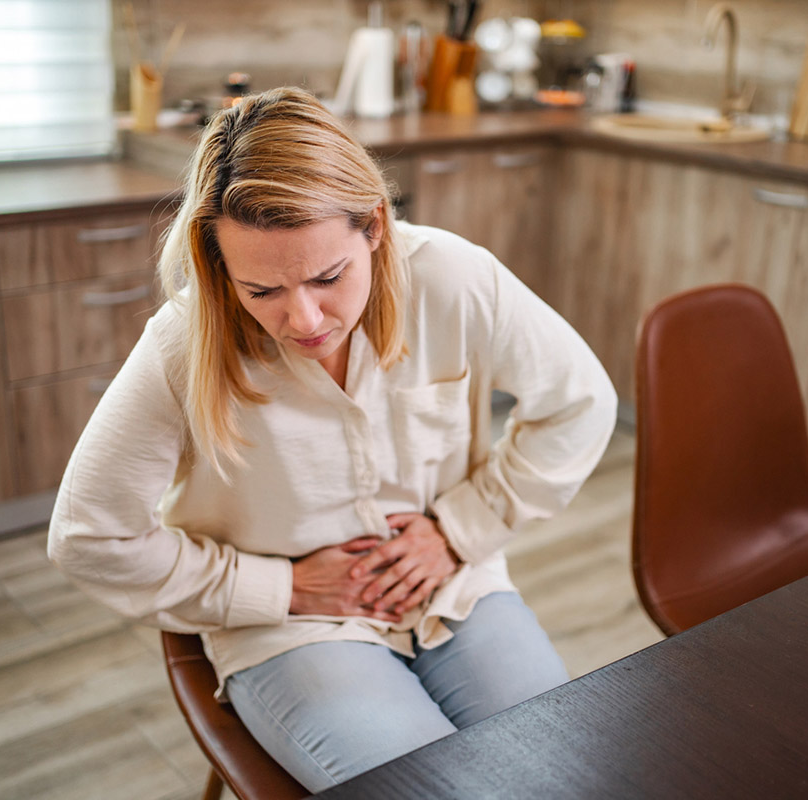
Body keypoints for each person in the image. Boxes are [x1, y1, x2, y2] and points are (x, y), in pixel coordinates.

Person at [48, 87, 617, 792]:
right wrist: (277, 587)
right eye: (262, 292)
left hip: (451, 584)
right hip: (288, 627)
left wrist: (460, 530)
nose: (305, 319)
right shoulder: (182, 342)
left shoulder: (452, 276)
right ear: (222, 267)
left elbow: (581, 402)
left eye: (328, 276)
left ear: (375, 224)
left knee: (557, 772)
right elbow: (87, 535)